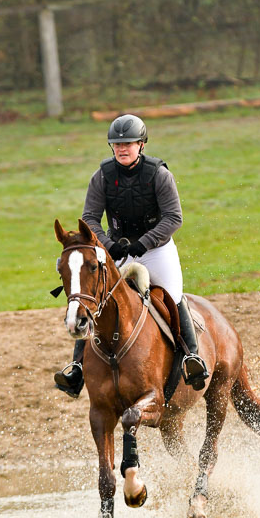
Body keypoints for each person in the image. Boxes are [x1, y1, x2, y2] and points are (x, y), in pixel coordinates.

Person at [54, 113, 209, 397]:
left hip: (157, 250)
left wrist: (145, 242)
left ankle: (191, 356)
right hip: (117, 249)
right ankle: (76, 367)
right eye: (117, 144)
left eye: (128, 143)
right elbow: (90, 218)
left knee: (174, 295)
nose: (122, 148)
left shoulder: (159, 174)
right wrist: (107, 245)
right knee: (93, 299)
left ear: (141, 144)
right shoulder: (102, 176)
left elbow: (174, 217)